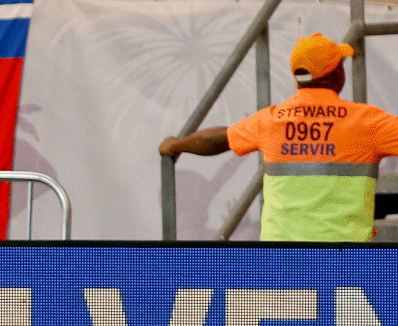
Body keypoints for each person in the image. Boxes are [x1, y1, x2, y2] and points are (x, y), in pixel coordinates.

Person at [160, 33, 398, 241]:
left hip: (281, 259)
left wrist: (176, 144)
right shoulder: (368, 121)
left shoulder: (272, 120)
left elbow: (219, 139)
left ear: (297, 78)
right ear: (337, 74)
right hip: (343, 258)